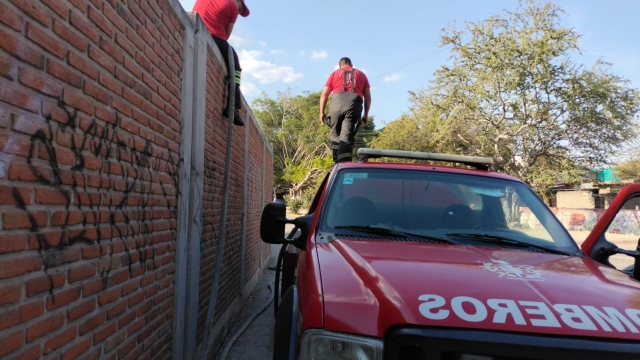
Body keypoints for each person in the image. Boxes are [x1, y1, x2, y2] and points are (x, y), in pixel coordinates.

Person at [192, 0, 250, 126]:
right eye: (240, 9)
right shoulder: (233, 8)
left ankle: (234, 106)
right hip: (213, 36)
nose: (238, 12)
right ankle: (233, 107)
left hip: (193, 25)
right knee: (235, 65)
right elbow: (226, 36)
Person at [319, 57, 371, 163]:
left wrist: (321, 112)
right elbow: (368, 97)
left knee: (335, 135)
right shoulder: (361, 74)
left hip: (336, 104)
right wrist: (365, 115)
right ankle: (344, 165)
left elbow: (324, 94)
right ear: (351, 65)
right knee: (346, 137)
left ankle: (336, 166)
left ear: (340, 66)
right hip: (353, 104)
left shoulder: (334, 73)